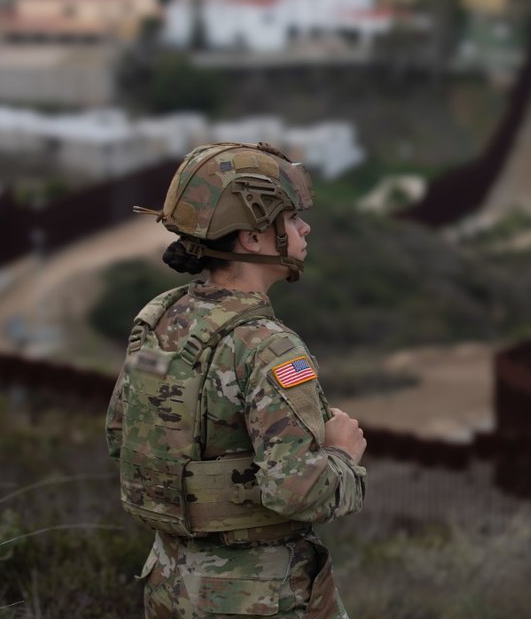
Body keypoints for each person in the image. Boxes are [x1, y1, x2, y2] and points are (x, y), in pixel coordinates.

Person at [106, 142, 368, 619]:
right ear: (251, 237)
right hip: (256, 594)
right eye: (289, 218)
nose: (304, 227)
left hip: (169, 584)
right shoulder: (269, 347)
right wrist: (342, 456)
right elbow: (296, 491)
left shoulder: (160, 318)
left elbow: (122, 436)